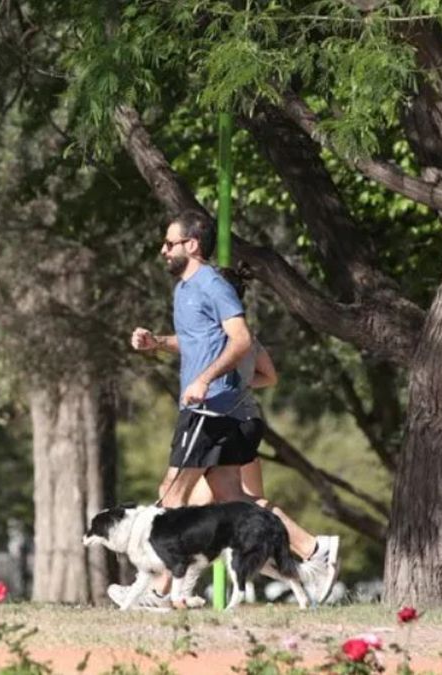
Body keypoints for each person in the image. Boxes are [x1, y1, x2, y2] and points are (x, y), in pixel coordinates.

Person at [115, 212, 339, 609]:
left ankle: (152, 590)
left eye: (169, 243)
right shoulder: (184, 289)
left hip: (210, 409)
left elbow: (241, 340)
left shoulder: (214, 285)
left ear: (192, 245)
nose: (163, 250)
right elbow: (196, 340)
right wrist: (157, 342)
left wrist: (204, 380)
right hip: (215, 408)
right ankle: (315, 550)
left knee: (171, 494)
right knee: (235, 501)